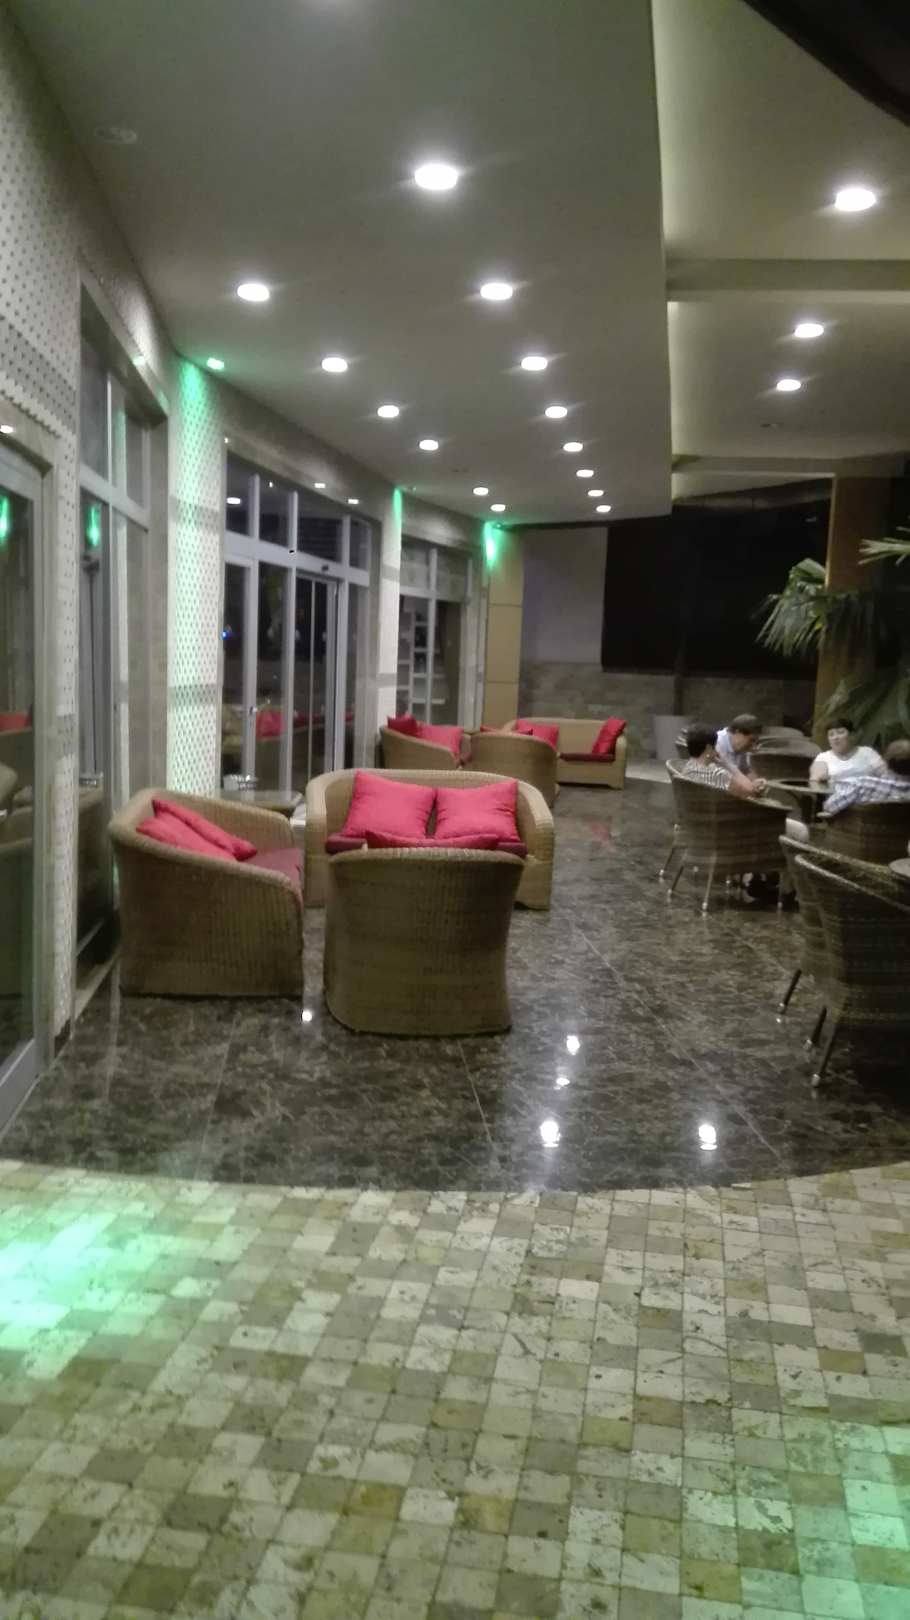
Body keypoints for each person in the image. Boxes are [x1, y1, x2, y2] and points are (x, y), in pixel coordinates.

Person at [786, 737, 910, 843]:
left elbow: (830, 807)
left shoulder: (862, 785)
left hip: (853, 842)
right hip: (900, 850)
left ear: (886, 762)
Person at [681, 724, 760, 799]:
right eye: (715, 746)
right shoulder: (718, 775)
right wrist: (727, 764)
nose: (717, 751)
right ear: (708, 748)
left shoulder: (686, 769)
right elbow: (751, 791)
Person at [809, 718, 884, 786]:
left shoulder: (868, 752)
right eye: (831, 734)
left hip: (868, 794)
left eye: (840, 732)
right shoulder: (823, 757)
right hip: (835, 795)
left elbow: (885, 775)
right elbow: (815, 780)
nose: (835, 737)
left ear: (852, 735)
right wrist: (821, 778)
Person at [714, 714, 767, 796]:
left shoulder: (739, 746)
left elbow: (746, 770)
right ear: (737, 732)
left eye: (755, 742)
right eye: (751, 740)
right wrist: (750, 786)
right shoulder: (716, 743)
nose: (753, 746)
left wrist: (757, 782)